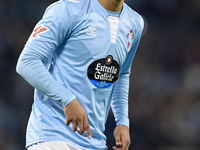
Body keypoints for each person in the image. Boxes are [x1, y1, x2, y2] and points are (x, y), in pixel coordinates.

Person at [16, 0, 144, 149]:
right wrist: (67, 99)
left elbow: (121, 73)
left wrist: (122, 121)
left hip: (94, 142)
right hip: (53, 136)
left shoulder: (135, 22)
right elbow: (27, 62)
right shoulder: (67, 9)